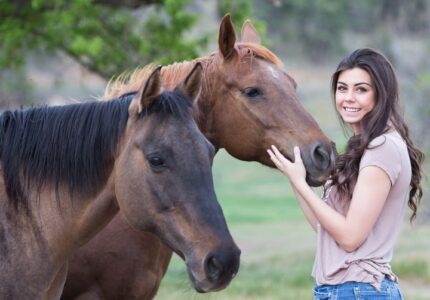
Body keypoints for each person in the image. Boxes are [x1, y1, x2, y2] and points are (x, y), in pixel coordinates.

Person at [267, 48, 424, 299]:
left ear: (381, 94)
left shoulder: (382, 147)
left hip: (359, 290)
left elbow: (350, 238)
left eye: (361, 89)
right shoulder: (366, 145)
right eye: (342, 88)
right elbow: (324, 228)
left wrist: (302, 184)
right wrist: (295, 180)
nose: (348, 98)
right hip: (343, 290)